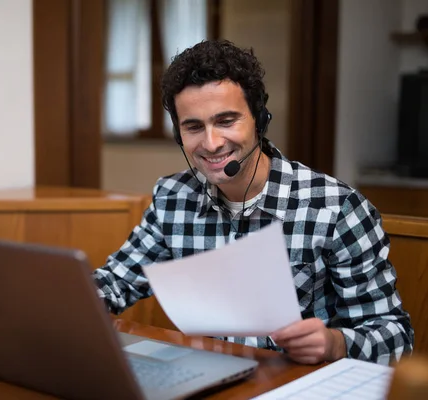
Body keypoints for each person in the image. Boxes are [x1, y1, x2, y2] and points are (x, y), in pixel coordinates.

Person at [93, 40, 413, 365]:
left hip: (298, 382)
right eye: (193, 127)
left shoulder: (336, 208)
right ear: (179, 135)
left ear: (260, 119)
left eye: (226, 121)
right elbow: (116, 280)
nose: (211, 143)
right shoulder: (172, 198)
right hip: (209, 379)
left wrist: (335, 343)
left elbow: (397, 338)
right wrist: (71, 297)